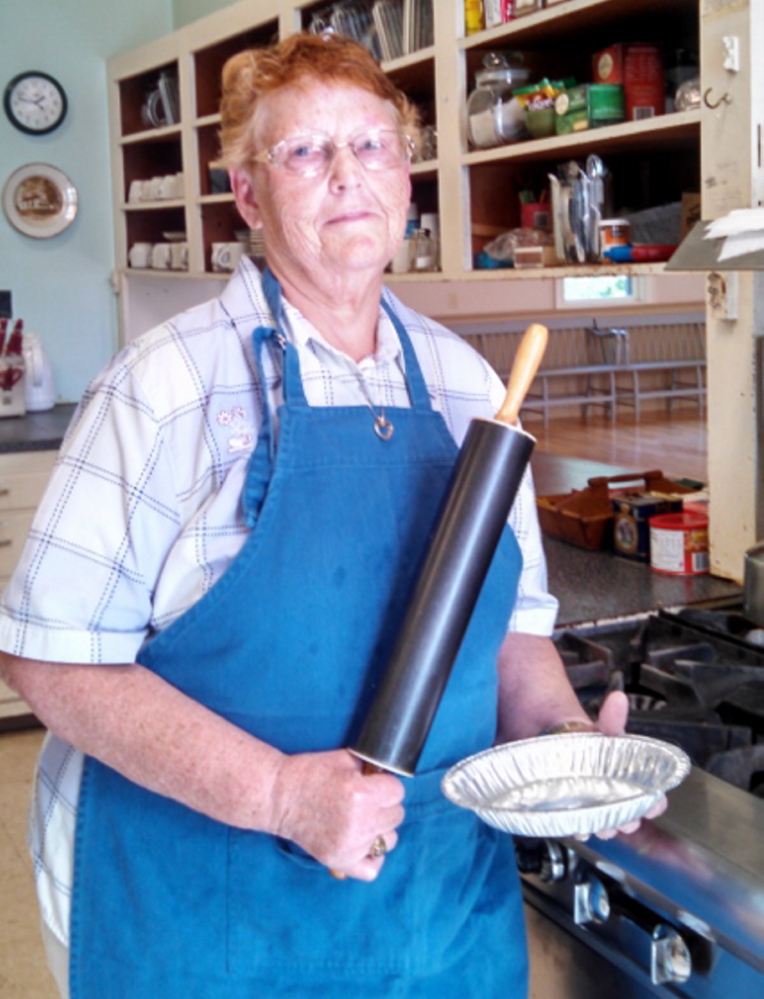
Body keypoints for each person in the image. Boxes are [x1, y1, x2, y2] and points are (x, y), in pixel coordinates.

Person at [0, 31, 663, 999]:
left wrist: (560, 741)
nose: (347, 176)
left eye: (372, 146)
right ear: (248, 194)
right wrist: (274, 793)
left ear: (405, 176)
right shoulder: (168, 386)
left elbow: (510, 626)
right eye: (305, 151)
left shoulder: (465, 385)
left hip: (433, 896)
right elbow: (51, 658)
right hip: (207, 905)